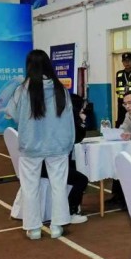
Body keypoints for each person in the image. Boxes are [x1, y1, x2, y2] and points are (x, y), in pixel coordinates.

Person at [5, 49, 75, 240]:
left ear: (29, 67)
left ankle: (33, 228)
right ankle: (57, 225)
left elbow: (13, 115)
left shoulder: (22, 90)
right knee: (59, 186)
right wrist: (68, 143)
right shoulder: (61, 89)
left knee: (30, 187)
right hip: (58, 145)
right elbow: (69, 119)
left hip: (31, 146)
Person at [39, 92, 89, 223]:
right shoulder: (69, 124)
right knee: (82, 180)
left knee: (75, 168)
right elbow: (77, 138)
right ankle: (70, 212)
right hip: (51, 166)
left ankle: (71, 207)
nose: (84, 111)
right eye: (82, 109)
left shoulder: (56, 119)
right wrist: (82, 122)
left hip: (41, 163)